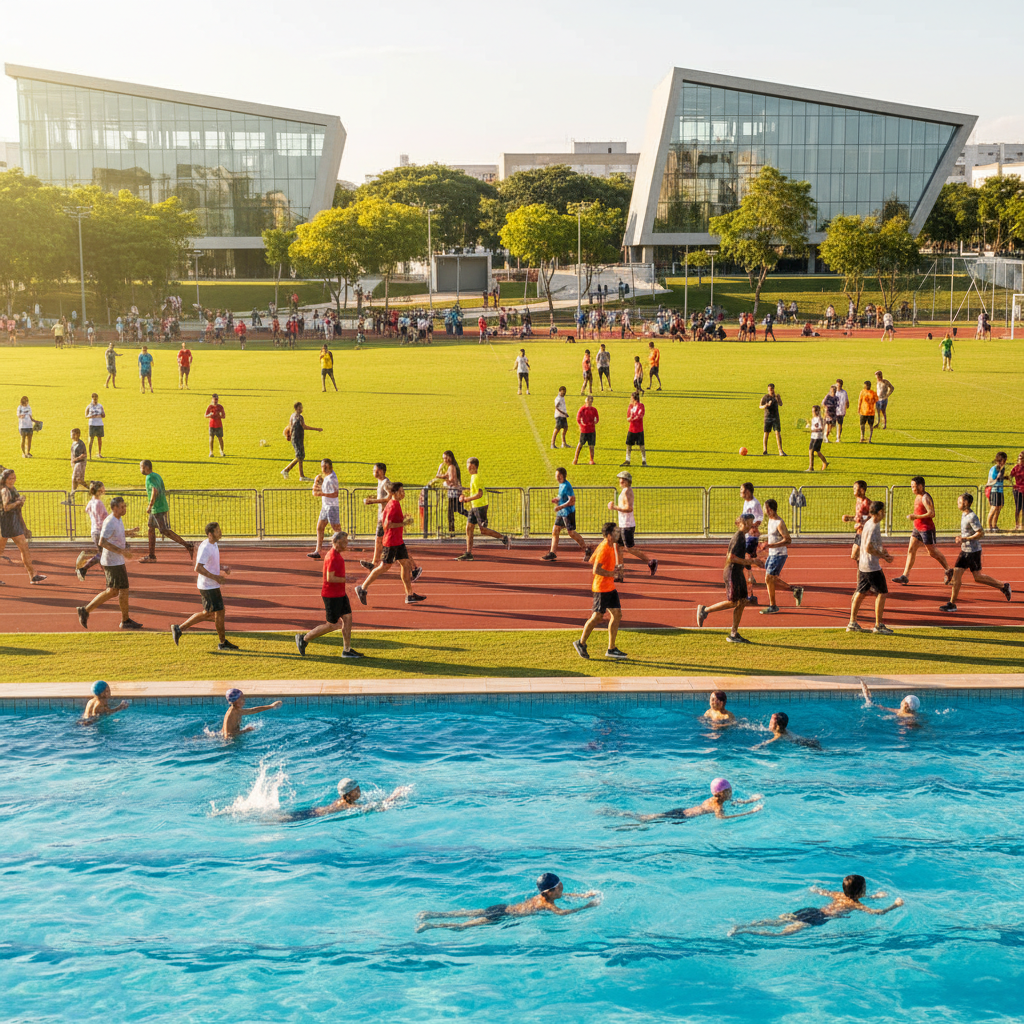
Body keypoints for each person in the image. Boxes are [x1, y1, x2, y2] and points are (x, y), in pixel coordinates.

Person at [416, 873, 599, 932]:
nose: (562, 888)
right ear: (549, 891)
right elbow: (562, 913)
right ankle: (432, 926)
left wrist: (583, 896)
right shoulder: (546, 904)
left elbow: (565, 895)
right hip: (502, 916)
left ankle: (431, 914)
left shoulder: (544, 897)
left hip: (502, 908)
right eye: (559, 886)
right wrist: (587, 906)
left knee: (469, 913)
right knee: (463, 926)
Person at [729, 874, 903, 937]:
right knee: (781, 934)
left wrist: (815, 889)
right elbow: (878, 913)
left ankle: (743, 926)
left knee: (776, 922)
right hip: (818, 918)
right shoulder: (856, 904)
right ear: (860, 892)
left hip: (810, 911)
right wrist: (895, 905)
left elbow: (822, 892)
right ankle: (744, 932)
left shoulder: (839, 895)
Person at [170, 522, 239, 651]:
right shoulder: (206, 547)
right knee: (214, 613)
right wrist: (216, 577)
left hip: (211, 585)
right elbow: (198, 568)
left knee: (215, 613)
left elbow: (210, 564)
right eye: (217, 531)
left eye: (219, 530)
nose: (220, 532)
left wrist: (222, 568)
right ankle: (180, 628)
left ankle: (180, 629)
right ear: (210, 534)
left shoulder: (214, 544)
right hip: (208, 586)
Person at [76, 495, 142, 629]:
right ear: (115, 508)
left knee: (114, 591)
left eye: (125, 506)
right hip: (113, 562)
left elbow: (117, 532)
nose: (125, 509)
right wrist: (122, 551)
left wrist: (129, 532)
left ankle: (86, 610)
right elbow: (102, 542)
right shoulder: (110, 521)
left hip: (115, 561)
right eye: (122, 507)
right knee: (120, 590)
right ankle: (124, 620)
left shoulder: (118, 519)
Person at [296, 531, 364, 658]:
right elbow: (330, 578)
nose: (346, 544)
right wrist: (347, 579)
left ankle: (347, 650)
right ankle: (304, 639)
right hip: (332, 596)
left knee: (347, 618)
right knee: (331, 625)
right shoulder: (333, 557)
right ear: (337, 542)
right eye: (344, 542)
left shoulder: (336, 555)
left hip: (340, 594)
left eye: (347, 541)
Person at [354, 482, 425, 604]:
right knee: (384, 567)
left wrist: (402, 519)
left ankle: (409, 595)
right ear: (393, 493)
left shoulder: (395, 503)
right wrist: (403, 523)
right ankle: (362, 588)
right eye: (400, 491)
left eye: (403, 491)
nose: (403, 494)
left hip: (398, 540)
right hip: (391, 542)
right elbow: (387, 525)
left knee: (406, 564)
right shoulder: (393, 505)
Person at [939, 492, 1012, 612]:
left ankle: (952, 604)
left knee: (962, 576)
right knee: (975, 577)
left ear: (966, 503)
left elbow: (981, 533)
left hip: (972, 552)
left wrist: (965, 538)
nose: (958, 503)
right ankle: (1003, 586)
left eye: (960, 501)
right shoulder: (964, 514)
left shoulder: (972, 517)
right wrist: (961, 538)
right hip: (966, 550)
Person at [696, 513, 762, 643]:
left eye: (751, 523)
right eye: (748, 523)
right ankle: (705, 610)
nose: (750, 526)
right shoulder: (738, 537)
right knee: (734, 602)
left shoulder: (742, 537)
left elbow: (732, 554)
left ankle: (734, 633)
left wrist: (748, 560)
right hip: (732, 572)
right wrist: (751, 562)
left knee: (742, 601)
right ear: (741, 523)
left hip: (737, 572)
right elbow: (731, 557)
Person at [573, 522, 628, 660]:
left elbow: (592, 559)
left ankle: (611, 648)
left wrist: (614, 569)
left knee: (617, 614)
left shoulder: (609, 545)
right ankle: (581, 643)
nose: (618, 534)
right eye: (615, 532)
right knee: (597, 617)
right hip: (601, 588)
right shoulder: (604, 548)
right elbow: (596, 569)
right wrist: (612, 573)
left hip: (610, 587)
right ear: (609, 535)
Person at [892, 477, 950, 586]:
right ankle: (905, 576)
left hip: (926, 529)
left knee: (932, 552)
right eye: (911, 486)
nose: (912, 488)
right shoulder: (918, 496)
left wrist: (916, 516)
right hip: (917, 528)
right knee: (911, 549)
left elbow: (932, 513)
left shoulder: (925, 498)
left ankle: (948, 570)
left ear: (920, 486)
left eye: (913, 486)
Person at [848, 500, 894, 634]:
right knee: (882, 593)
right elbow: (868, 547)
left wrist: (883, 551)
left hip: (863, 564)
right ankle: (878, 626)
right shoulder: (873, 526)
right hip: (871, 566)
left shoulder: (870, 523)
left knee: (861, 592)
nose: (884, 513)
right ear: (878, 512)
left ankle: (852, 623)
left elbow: (873, 544)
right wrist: (883, 556)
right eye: (883, 511)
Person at [630, 778, 763, 822]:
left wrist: (751, 800)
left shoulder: (716, 799)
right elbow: (722, 818)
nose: (731, 793)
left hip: (683, 811)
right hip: (683, 818)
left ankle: (637, 817)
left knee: (658, 816)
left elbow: (734, 802)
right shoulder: (717, 805)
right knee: (654, 819)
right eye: (729, 791)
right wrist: (750, 812)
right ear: (722, 793)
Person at [139, 460, 194, 563]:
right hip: (160, 507)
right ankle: (151, 556)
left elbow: (155, 490)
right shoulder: (157, 476)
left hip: (157, 508)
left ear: (146, 467)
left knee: (164, 530)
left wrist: (150, 505)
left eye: (141, 467)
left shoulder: (150, 477)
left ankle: (188, 545)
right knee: (151, 528)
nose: (140, 469)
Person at [457, 458, 511, 560]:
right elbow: (474, 491)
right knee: (469, 528)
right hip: (475, 507)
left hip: (480, 506)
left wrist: (467, 499)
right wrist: (464, 496)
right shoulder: (473, 477)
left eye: (468, 465)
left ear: (472, 466)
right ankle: (468, 553)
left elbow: (479, 494)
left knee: (483, 530)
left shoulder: (476, 478)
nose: (467, 467)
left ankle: (504, 538)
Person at [757, 498, 803, 614]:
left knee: (768, 578)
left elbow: (788, 540)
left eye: (765, 508)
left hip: (779, 554)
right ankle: (795, 590)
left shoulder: (779, 523)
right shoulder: (770, 520)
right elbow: (773, 536)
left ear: (770, 509)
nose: (764, 510)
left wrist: (771, 545)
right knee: (773, 579)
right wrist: (764, 541)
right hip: (772, 553)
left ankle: (773, 606)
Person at [0, 469, 46, 583]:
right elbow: (6, 507)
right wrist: (18, 502)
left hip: (14, 521)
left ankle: (33, 576)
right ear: (5, 479)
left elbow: (17, 509)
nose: (12, 480)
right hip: (4, 522)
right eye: (10, 478)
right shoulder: (5, 490)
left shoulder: (13, 489)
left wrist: (24, 527)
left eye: (14, 478)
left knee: (25, 548)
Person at [608, 470, 657, 575]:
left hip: (627, 525)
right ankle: (619, 572)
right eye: (620, 479)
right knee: (617, 546)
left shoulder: (627, 491)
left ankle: (650, 562)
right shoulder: (624, 491)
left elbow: (629, 508)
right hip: (623, 524)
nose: (620, 481)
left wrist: (614, 507)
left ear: (627, 481)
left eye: (623, 479)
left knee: (629, 548)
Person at [542, 468, 591, 561]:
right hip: (561, 512)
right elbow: (562, 496)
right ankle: (552, 553)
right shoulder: (561, 485)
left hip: (568, 512)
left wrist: (560, 507)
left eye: (558, 476)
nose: (556, 477)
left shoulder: (567, 486)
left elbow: (572, 501)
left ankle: (586, 549)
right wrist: (557, 499)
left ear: (562, 476)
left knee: (571, 533)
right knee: (555, 530)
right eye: (556, 475)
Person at [281, 778, 370, 821]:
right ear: (350, 793)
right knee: (284, 819)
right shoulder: (347, 804)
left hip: (315, 811)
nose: (359, 790)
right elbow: (366, 807)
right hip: (315, 815)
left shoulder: (341, 800)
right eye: (356, 789)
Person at [281, 401, 322, 481]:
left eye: (301, 407)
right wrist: (317, 429)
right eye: (300, 408)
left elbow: (290, 426)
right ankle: (286, 470)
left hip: (296, 438)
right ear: (296, 408)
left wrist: (289, 435)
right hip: (298, 438)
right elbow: (304, 427)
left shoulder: (292, 416)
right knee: (299, 456)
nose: (301, 409)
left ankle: (301, 476)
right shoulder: (300, 417)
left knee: (301, 456)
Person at [308, 458, 341, 558]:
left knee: (337, 530)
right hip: (325, 507)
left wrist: (321, 493)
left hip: (332, 507)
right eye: (322, 466)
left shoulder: (332, 478)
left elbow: (335, 494)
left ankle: (339, 550)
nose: (324, 469)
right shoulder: (327, 477)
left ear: (330, 467)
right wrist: (318, 485)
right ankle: (318, 551)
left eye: (326, 467)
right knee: (319, 527)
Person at [739, 483, 763, 601]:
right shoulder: (746, 502)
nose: (740, 492)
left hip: (751, 536)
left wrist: (752, 527)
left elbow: (759, 518)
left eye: (742, 490)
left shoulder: (755, 504)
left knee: (746, 557)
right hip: (746, 534)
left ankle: (751, 578)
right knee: (747, 557)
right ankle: (751, 576)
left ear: (748, 492)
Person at [842, 480, 872, 564]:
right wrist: (849, 518)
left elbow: (872, 517)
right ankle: (863, 571)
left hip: (865, 533)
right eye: (853, 488)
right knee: (856, 556)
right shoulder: (858, 501)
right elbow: (858, 517)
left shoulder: (866, 503)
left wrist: (862, 523)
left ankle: (867, 570)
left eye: (856, 488)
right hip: (859, 532)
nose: (854, 490)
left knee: (856, 555)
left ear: (862, 490)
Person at [759, 384, 786, 456]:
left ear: (774, 389)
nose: (770, 390)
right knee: (766, 433)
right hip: (767, 417)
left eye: (771, 389)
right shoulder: (765, 397)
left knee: (777, 433)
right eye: (769, 389)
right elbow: (760, 406)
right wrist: (765, 405)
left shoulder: (776, 397)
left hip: (775, 417)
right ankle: (765, 450)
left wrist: (778, 399)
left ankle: (780, 451)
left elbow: (781, 404)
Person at [622, 391, 647, 468]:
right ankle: (627, 460)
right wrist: (630, 418)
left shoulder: (641, 406)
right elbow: (628, 418)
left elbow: (640, 415)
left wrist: (633, 418)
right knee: (628, 445)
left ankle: (644, 460)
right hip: (631, 429)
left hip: (639, 429)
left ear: (633, 398)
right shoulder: (630, 406)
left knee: (641, 445)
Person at [573, 395, 599, 466]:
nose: (589, 403)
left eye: (590, 401)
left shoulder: (594, 410)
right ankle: (576, 459)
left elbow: (597, 418)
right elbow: (578, 418)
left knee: (591, 445)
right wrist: (581, 426)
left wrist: (595, 421)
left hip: (592, 430)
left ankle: (591, 459)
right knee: (580, 444)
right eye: (588, 401)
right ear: (586, 401)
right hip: (584, 430)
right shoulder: (582, 409)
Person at [986, 451, 1008, 531]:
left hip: (1000, 490)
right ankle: (988, 526)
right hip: (994, 490)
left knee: (999, 508)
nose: (1004, 463)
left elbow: (1000, 478)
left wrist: (1004, 477)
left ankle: (994, 525)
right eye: (1003, 461)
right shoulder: (994, 468)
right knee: (994, 508)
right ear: (999, 460)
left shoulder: (1002, 469)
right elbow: (992, 479)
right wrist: (999, 477)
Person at [806, 404, 828, 472]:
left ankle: (811, 467)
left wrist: (815, 430)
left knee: (812, 451)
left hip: (818, 437)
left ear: (818, 411)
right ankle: (825, 462)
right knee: (816, 452)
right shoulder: (813, 419)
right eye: (812, 411)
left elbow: (822, 428)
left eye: (814, 411)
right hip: (813, 437)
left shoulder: (819, 419)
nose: (813, 413)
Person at [85, 393, 105, 458]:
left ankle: (99, 453)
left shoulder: (100, 406)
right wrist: (91, 416)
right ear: (92, 399)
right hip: (92, 424)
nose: (95, 400)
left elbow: (104, 415)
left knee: (99, 439)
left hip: (99, 424)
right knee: (91, 439)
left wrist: (101, 415)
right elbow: (86, 416)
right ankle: (89, 454)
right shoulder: (89, 406)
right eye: (94, 399)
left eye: (96, 399)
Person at [69, 428, 88, 493]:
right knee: (77, 479)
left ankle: (73, 491)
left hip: (80, 463)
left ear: (77, 434)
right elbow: (72, 453)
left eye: (73, 435)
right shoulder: (74, 443)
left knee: (76, 478)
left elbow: (84, 454)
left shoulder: (80, 444)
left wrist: (75, 459)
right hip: (76, 463)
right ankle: (90, 488)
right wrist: (72, 461)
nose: (71, 436)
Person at [1010, 451, 1024, 531]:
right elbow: (1010, 476)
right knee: (1018, 508)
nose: (1020, 460)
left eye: (1021, 458)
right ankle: (1017, 524)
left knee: (1023, 508)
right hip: (1018, 490)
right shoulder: (1016, 468)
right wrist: (1013, 485)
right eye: (1019, 458)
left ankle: (1022, 525)